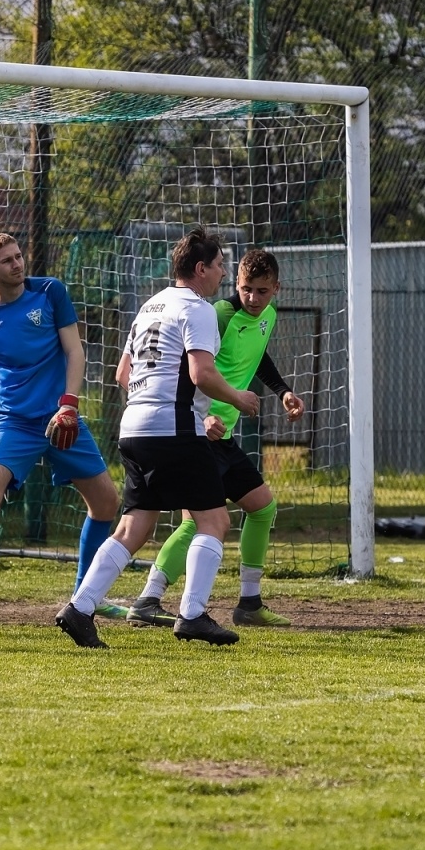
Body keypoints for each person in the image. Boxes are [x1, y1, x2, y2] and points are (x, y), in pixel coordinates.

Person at [53, 227, 260, 649]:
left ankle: (80, 607)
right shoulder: (197, 308)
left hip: (135, 427)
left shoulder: (150, 306)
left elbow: (122, 375)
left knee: (134, 525)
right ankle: (193, 614)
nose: (223, 272)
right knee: (214, 520)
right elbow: (200, 374)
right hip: (174, 429)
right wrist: (237, 397)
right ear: (200, 269)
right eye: (220, 264)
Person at [0, 233, 122, 620]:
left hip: (62, 418)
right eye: (7, 260)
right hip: (14, 422)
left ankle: (85, 595)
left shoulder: (50, 292)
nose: (18, 264)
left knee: (107, 502)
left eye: (19, 256)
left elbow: (75, 352)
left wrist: (69, 405)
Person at [127, 247, 305, 628]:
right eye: (245, 289)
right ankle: (148, 599)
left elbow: (257, 356)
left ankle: (249, 602)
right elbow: (191, 369)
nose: (253, 299)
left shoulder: (267, 316)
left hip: (223, 438)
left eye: (261, 290)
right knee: (197, 521)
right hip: (198, 432)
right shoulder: (219, 315)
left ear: (276, 288)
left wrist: (282, 391)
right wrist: (204, 415)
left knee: (262, 506)